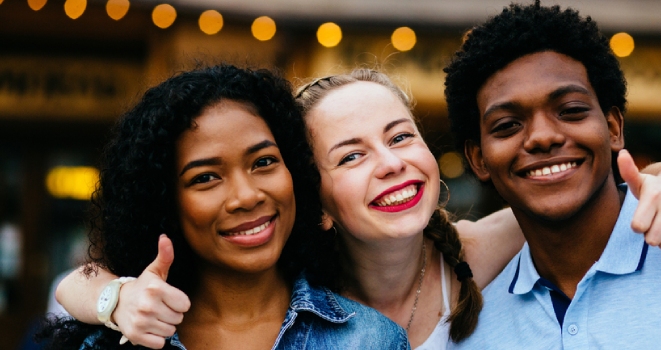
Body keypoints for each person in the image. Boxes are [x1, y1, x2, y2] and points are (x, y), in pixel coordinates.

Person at [57, 67, 661, 349]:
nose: (391, 162)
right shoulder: (295, 292)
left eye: (400, 138)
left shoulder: (476, 250)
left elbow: (596, 195)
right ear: (319, 204)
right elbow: (81, 284)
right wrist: (113, 300)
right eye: (351, 155)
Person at [443, 1, 661, 348]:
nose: (543, 137)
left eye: (570, 110)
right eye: (507, 125)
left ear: (614, 128)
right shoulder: (469, 325)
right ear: (478, 159)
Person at [40, 65, 410, 349]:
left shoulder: (372, 339)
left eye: (263, 162)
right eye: (205, 178)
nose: (246, 196)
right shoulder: (116, 340)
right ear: (163, 200)